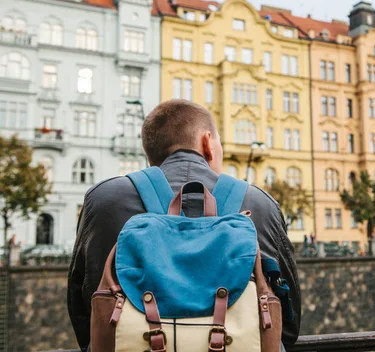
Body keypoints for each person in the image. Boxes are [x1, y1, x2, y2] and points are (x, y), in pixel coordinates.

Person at [68, 100, 301, 351]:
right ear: (207, 143)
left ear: (150, 156)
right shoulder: (260, 204)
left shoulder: (103, 199)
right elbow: (288, 322)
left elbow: (82, 308)